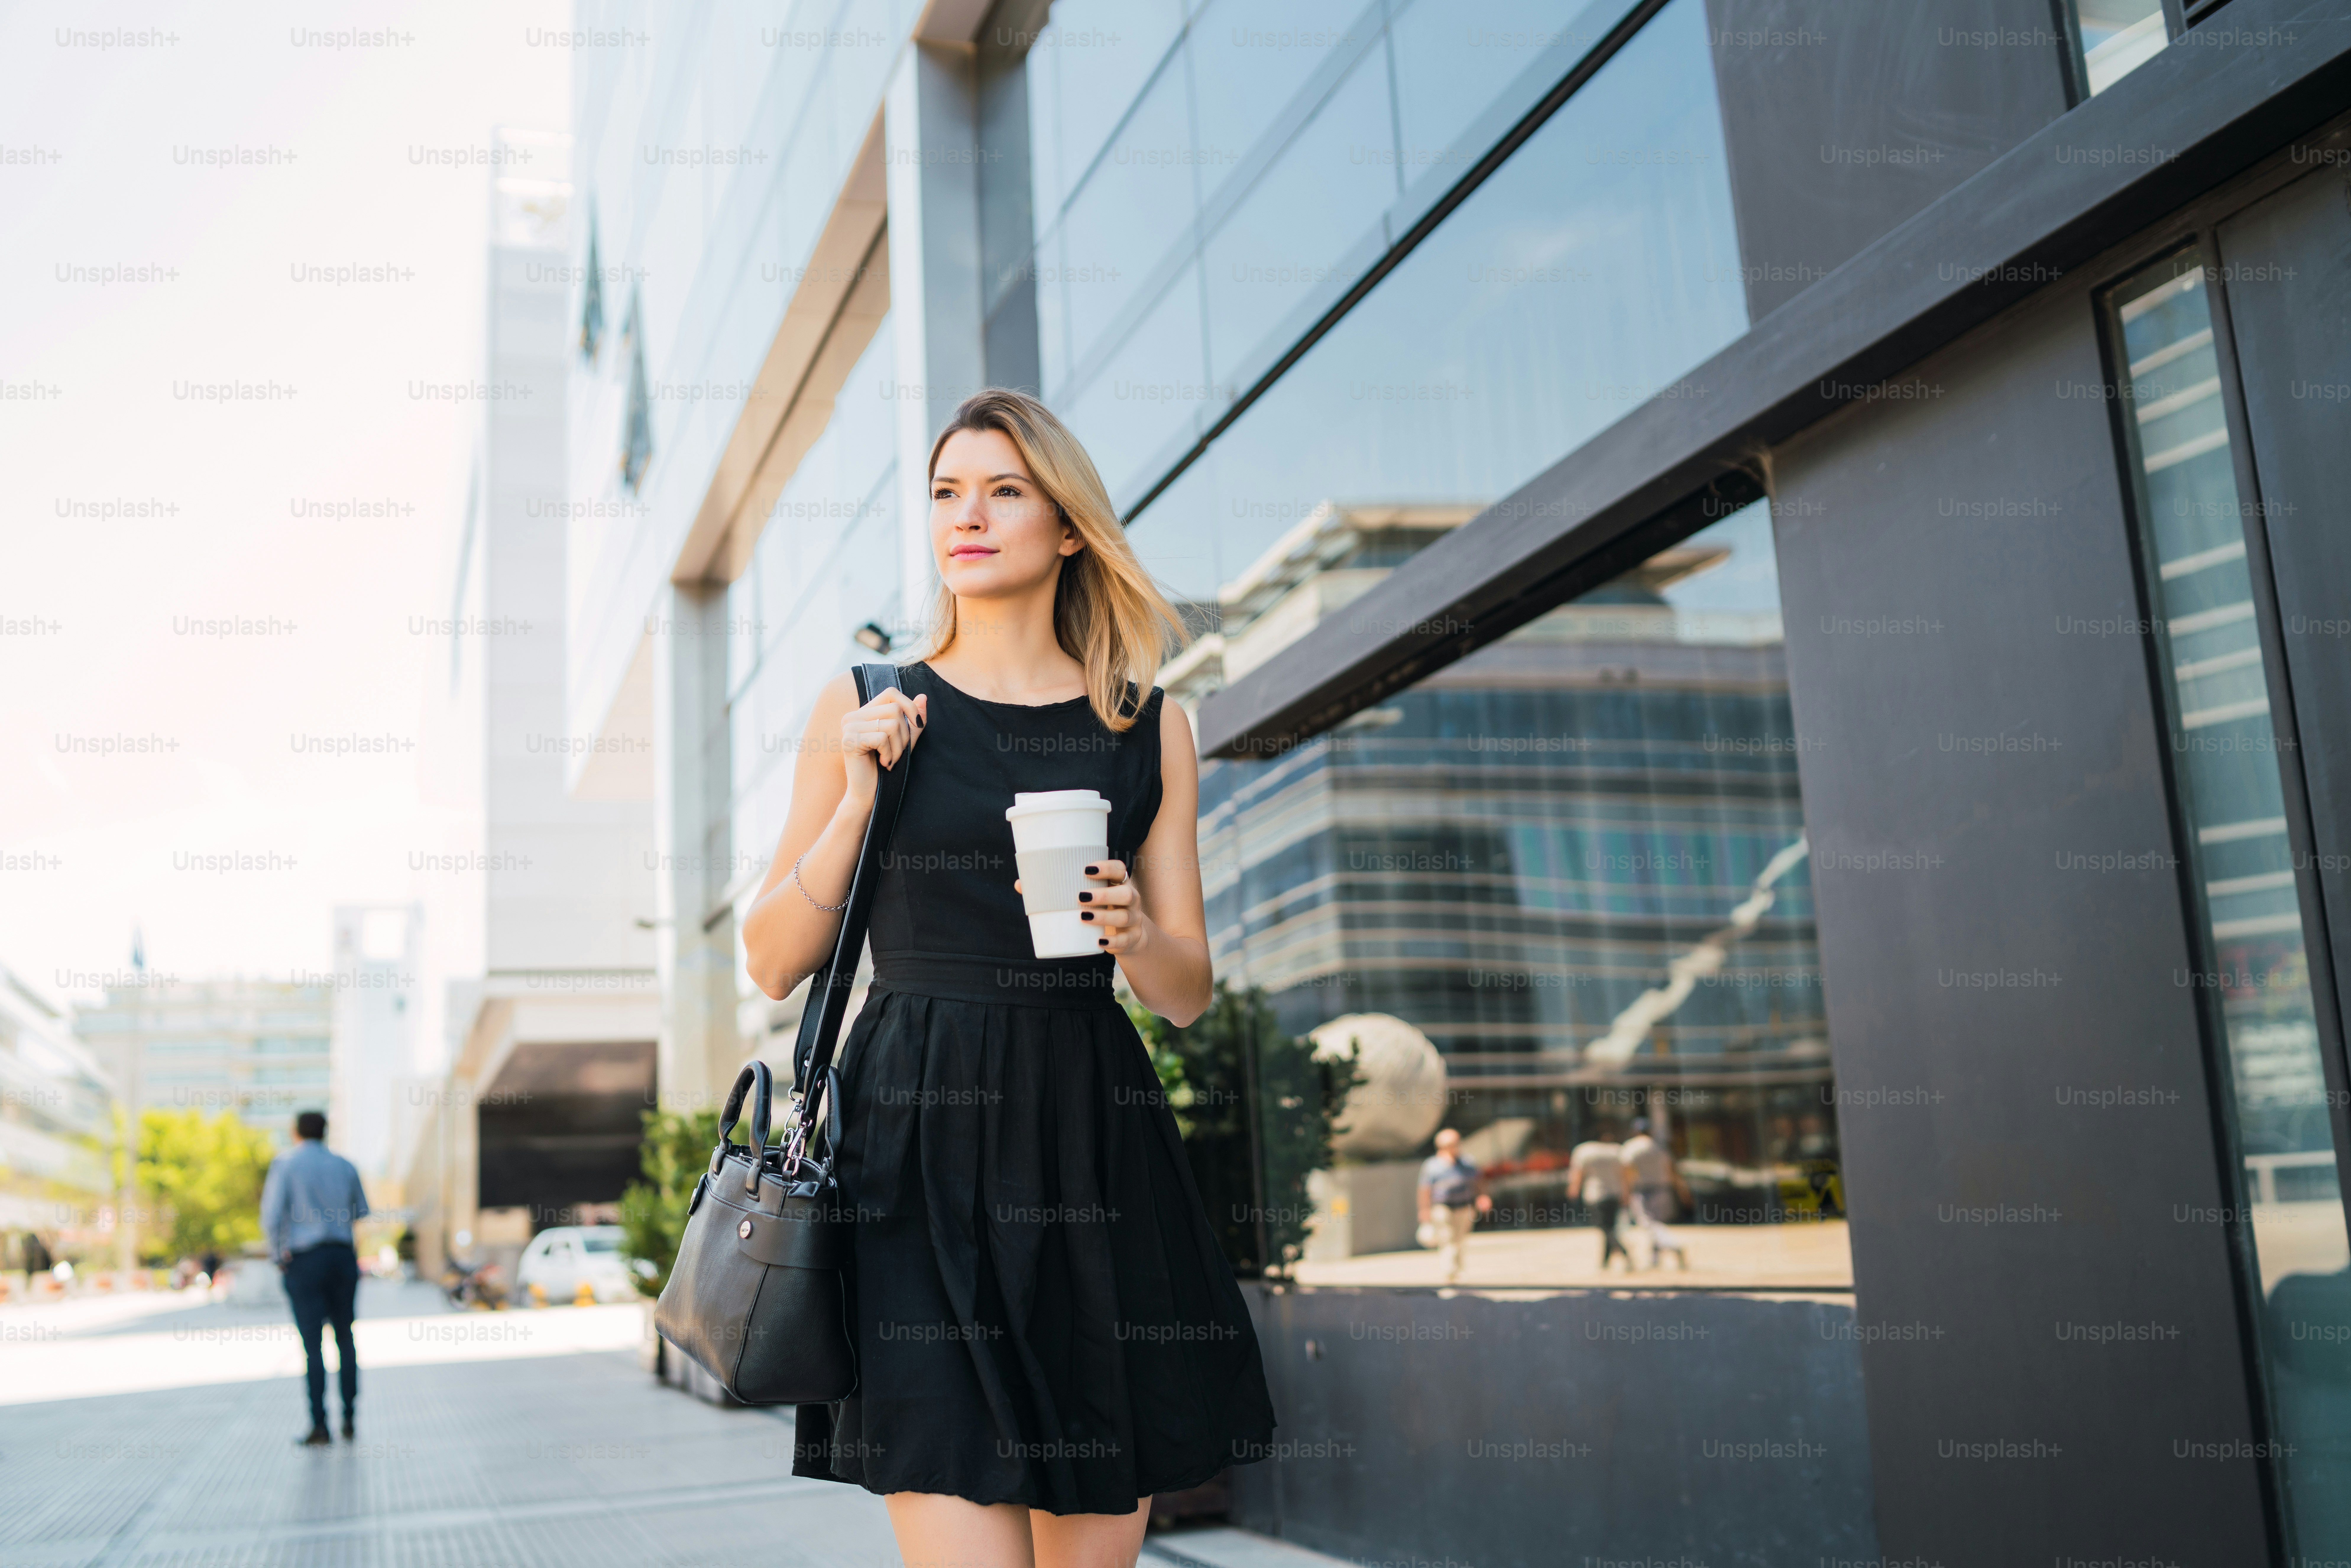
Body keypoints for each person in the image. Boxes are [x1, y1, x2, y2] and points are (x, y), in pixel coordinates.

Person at [741, 389, 1277, 1568]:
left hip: (1093, 1152)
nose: (964, 516)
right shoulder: (866, 701)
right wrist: (859, 805)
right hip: (911, 1160)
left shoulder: (1148, 727)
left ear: (1068, 527)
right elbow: (774, 957)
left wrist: (1135, 932)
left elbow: (1186, 991)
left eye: (1002, 491)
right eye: (944, 493)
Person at [260, 1109, 369, 1446]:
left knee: (312, 1347)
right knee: (345, 1339)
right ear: (325, 1132)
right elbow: (361, 1211)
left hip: (305, 1260)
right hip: (341, 1256)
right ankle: (350, 1417)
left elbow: (272, 1215)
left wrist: (280, 1257)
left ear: (296, 1132)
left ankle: (320, 1425)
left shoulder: (287, 1164)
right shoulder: (345, 1166)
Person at [1417, 1128, 1493, 1283]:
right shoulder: (1432, 1166)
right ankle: (1450, 1271)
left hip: (1465, 1206)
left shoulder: (1467, 1162)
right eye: (1454, 1144)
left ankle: (1458, 1270)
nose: (1458, 1147)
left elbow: (1478, 1181)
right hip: (1442, 1208)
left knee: (1459, 1240)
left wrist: (1482, 1197)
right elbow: (1425, 1190)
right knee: (1448, 1238)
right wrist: (1424, 1210)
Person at [1619, 1118, 1690, 1271]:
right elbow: (1672, 1171)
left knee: (1649, 1224)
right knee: (1656, 1223)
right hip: (1663, 1190)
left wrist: (1626, 1193)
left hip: (1643, 1190)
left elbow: (1627, 1172)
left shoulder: (1631, 1147)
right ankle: (1655, 1260)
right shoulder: (1659, 1147)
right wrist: (1683, 1192)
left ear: (1635, 1131)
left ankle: (1674, 1246)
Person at [1567, 1133, 1631, 1272]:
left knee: (1605, 1229)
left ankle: (1625, 1254)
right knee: (1609, 1228)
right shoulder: (1616, 1150)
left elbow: (1578, 1173)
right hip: (1615, 1194)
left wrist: (1574, 1190)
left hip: (1594, 1195)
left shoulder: (1584, 1151)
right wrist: (1626, 1193)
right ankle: (1605, 1262)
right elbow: (1625, 1174)